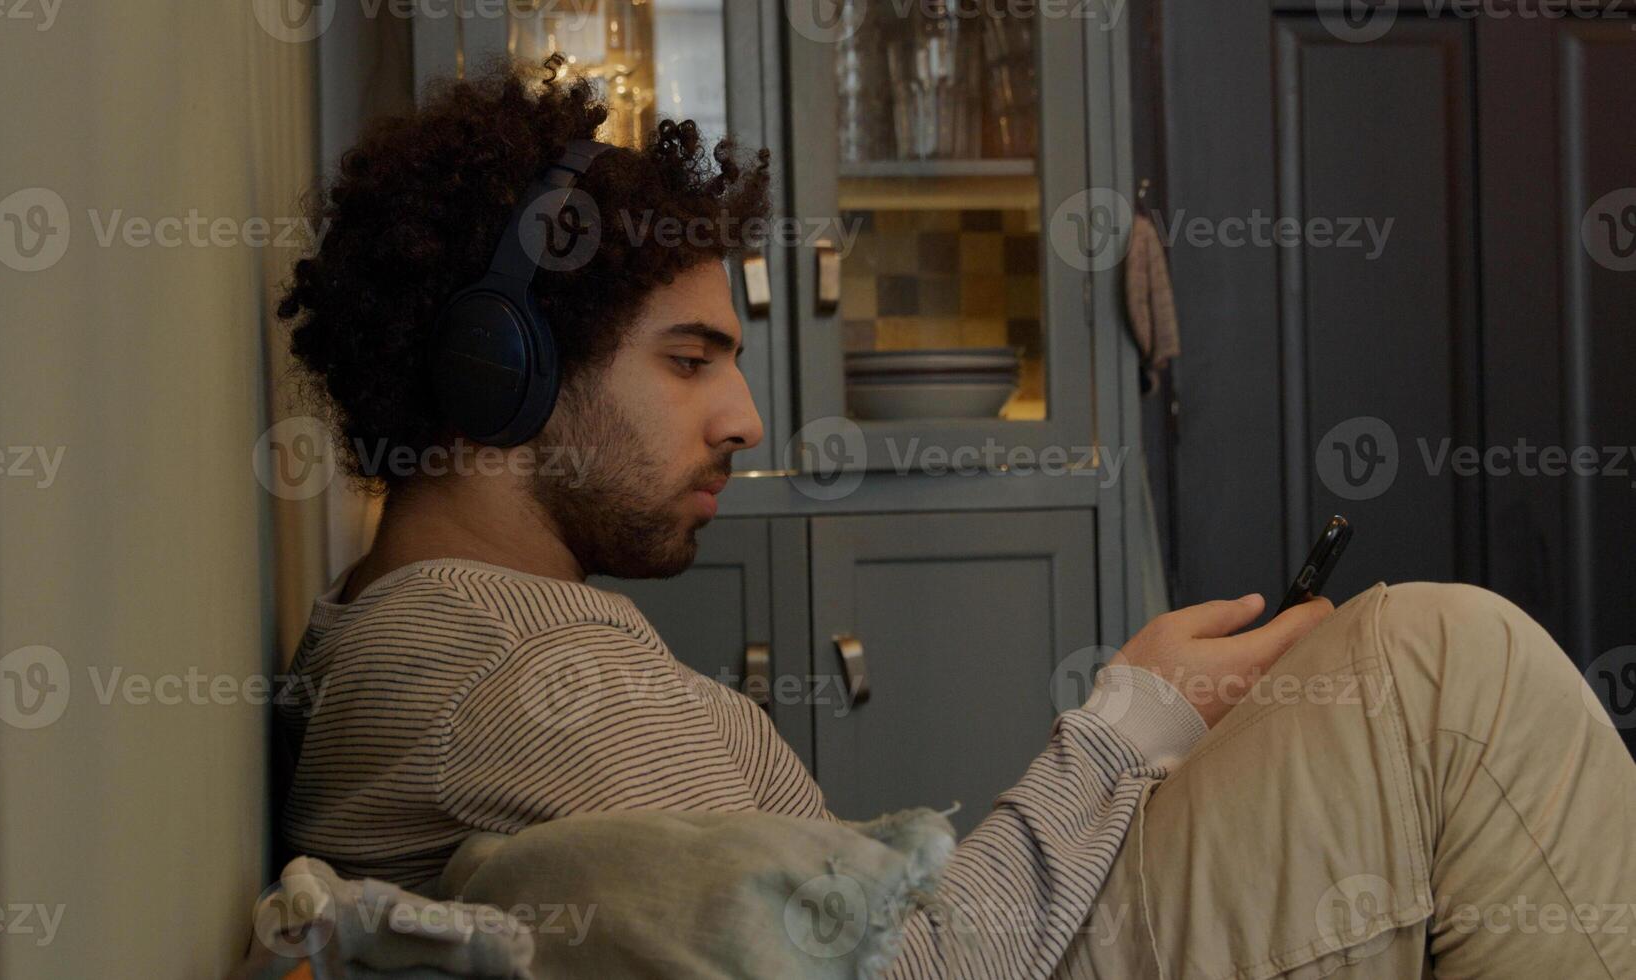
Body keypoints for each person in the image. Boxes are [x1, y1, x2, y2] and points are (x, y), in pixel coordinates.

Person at [273, 61, 1636, 977]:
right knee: (1447, 677)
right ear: (492, 377)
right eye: (689, 363)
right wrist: (1118, 734)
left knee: (1421, 680)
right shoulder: (529, 679)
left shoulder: (426, 637)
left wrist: (1138, 743)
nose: (744, 418)